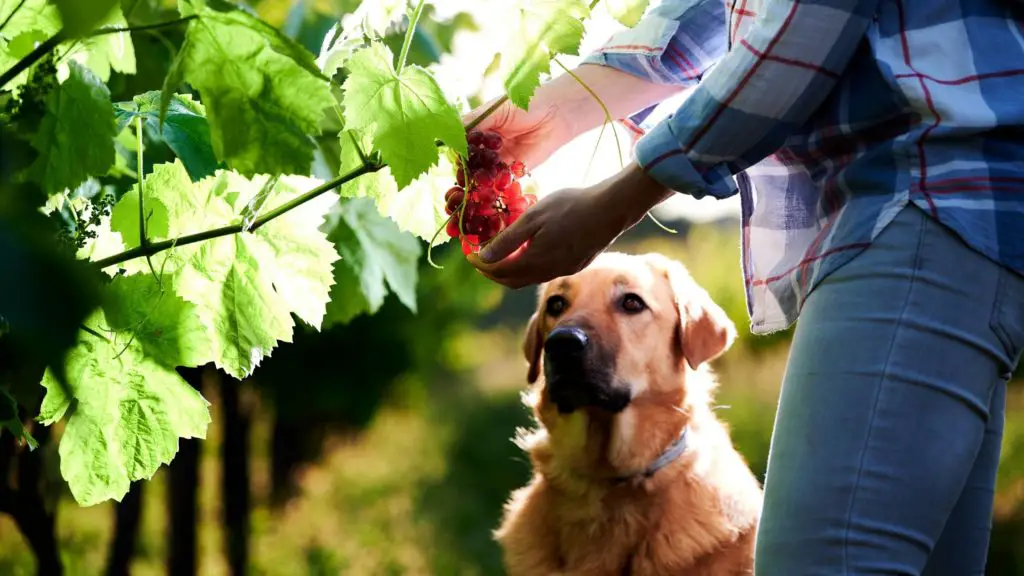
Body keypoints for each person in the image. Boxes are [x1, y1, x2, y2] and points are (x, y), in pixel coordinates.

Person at [465, 0, 1024, 572]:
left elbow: (803, 28)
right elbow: (718, 13)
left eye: (630, 305)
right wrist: (549, 112)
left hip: (921, 198)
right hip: (930, 215)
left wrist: (621, 198)